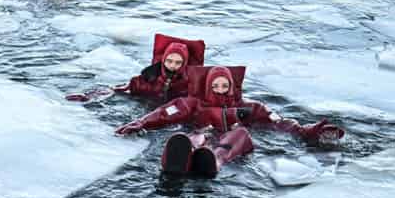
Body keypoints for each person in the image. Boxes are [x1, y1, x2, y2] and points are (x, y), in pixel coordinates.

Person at [116, 66, 345, 146]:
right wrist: (140, 123)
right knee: (199, 137)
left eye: (224, 85)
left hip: (230, 145)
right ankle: (186, 155)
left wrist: (306, 130)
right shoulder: (193, 104)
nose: (219, 88)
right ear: (207, 85)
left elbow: (279, 121)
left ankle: (213, 160)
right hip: (201, 135)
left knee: (241, 134)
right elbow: (166, 113)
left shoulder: (251, 107)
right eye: (215, 84)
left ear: (231, 86)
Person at [67, 35, 206, 104]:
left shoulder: (190, 84)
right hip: (146, 108)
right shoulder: (148, 78)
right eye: (169, 61)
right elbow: (120, 88)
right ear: (163, 60)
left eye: (178, 63)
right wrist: (89, 95)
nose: (173, 66)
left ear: (184, 63)